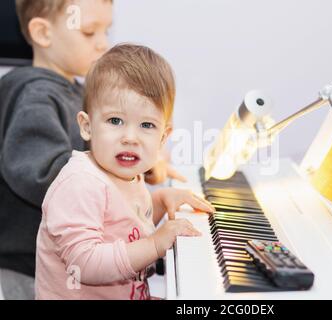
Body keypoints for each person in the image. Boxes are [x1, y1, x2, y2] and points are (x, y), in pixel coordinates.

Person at [35, 44, 214, 300]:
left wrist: (160, 202)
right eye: (115, 121)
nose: (130, 137)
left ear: (163, 137)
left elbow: (122, 224)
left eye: (146, 125)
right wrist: (154, 245)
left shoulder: (127, 175)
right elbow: (84, 263)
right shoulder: (80, 183)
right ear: (87, 126)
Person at [0, 0, 113, 300]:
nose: (103, 44)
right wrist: (117, 166)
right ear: (43, 33)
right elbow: (47, 175)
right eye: (89, 32)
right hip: (27, 273)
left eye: (106, 30)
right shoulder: (35, 97)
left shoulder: (73, 92)